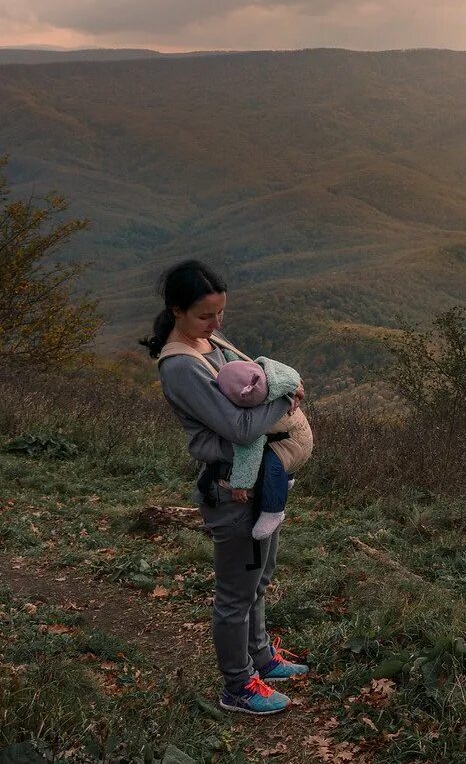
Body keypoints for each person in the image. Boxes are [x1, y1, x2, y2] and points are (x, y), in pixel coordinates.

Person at [143, 259, 313, 717]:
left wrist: (277, 396)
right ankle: (237, 685)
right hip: (230, 489)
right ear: (176, 310)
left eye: (221, 313)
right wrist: (282, 397)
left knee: (260, 579)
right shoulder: (181, 365)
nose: (216, 324)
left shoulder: (209, 341)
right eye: (205, 315)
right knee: (236, 593)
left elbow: (249, 392)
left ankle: (260, 657)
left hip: (259, 482)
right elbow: (239, 428)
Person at [214, 355, 306, 539]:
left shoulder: (254, 413)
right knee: (279, 464)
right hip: (298, 439)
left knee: (271, 466)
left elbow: (249, 450)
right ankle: (287, 477)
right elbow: (293, 377)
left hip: (286, 448)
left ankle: (274, 510)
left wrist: (240, 485)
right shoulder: (275, 373)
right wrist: (295, 391)